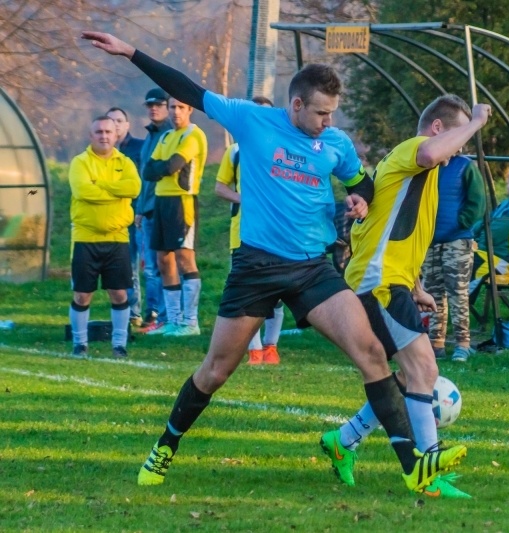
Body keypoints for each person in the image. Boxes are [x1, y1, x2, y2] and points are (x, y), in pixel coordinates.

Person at [82, 30, 465, 494]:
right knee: (216, 371)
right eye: (321, 112)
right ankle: (165, 445)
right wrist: (132, 52)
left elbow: (362, 182)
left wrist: (359, 200)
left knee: (371, 355)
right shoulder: (253, 121)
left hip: (313, 268)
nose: (328, 121)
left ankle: (414, 467)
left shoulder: (336, 143)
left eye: (333, 113)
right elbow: (189, 90)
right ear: (297, 105)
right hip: (257, 268)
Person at [320, 94, 492, 499]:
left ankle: (343, 440)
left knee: (399, 376)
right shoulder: (414, 150)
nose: (455, 155)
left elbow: (394, 232)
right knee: (424, 370)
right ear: (437, 128)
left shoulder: (418, 176)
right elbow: (434, 151)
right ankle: (427, 473)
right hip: (378, 284)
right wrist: (477, 122)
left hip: (387, 281)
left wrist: (416, 287)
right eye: (456, 142)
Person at [214, 95, 284, 365]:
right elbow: (220, 188)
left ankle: (271, 347)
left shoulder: (283, 147)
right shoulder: (235, 151)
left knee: (276, 294)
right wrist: (245, 198)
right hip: (242, 231)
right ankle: (253, 350)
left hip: (277, 231)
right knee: (248, 292)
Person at [68, 115, 141, 358]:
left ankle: (119, 344)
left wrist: (101, 185)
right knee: (82, 294)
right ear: (91, 136)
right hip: (86, 237)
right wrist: (115, 190)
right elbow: (83, 191)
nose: (104, 136)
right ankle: (80, 344)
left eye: (108, 132)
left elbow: (134, 188)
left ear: (116, 135)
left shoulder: (126, 162)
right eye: (99, 132)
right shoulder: (80, 162)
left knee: (119, 293)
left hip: (117, 238)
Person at [142, 97, 207, 337]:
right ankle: (174, 320)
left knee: (184, 258)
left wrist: (164, 168)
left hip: (182, 202)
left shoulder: (194, 135)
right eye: (172, 107)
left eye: (181, 107)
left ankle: (191, 322)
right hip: (161, 201)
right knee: (163, 260)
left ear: (190, 109)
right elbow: (148, 170)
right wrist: (164, 168)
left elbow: (172, 166)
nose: (176, 112)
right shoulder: (166, 137)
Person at [421, 154, 485, 362]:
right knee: (432, 293)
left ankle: (463, 343)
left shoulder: (465, 166)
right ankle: (436, 343)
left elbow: (478, 201)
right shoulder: (426, 163)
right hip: (429, 240)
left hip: (457, 240)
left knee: (458, 292)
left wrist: (462, 221)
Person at [136, 88, 173, 330]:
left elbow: (161, 174)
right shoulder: (150, 135)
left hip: (164, 207)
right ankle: (156, 316)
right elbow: (145, 177)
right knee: (151, 267)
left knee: (164, 265)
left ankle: (167, 317)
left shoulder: (171, 134)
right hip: (147, 209)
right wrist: (140, 208)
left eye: (158, 104)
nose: (153, 108)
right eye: (150, 105)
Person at [106, 107, 145, 328]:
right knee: (117, 266)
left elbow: (138, 184)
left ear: (127, 125)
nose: (116, 125)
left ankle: (138, 312)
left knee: (136, 266)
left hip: (134, 215)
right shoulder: (99, 154)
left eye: (120, 120)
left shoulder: (138, 148)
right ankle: (124, 309)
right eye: (111, 120)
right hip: (108, 217)